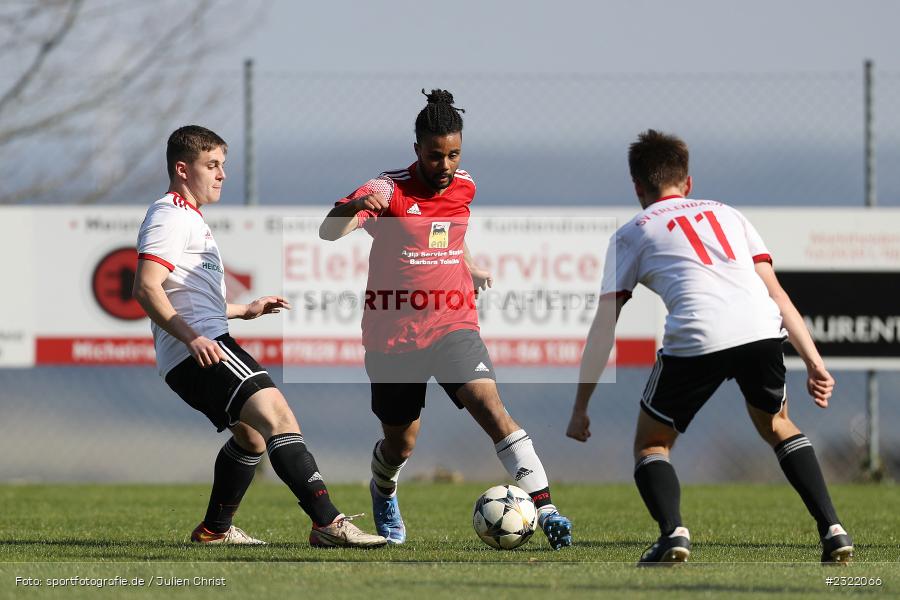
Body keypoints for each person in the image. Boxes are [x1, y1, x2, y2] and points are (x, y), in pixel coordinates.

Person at [566, 129, 853, 564]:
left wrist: (580, 406)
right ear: (688, 183)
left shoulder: (632, 233)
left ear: (638, 188)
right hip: (761, 329)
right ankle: (833, 529)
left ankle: (673, 534)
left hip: (698, 335)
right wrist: (814, 361)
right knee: (778, 426)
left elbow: (605, 324)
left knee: (652, 444)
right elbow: (776, 293)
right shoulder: (729, 214)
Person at [319, 90, 573, 549]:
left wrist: (467, 264)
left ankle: (546, 506)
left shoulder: (465, 186)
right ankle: (384, 488)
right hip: (393, 334)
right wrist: (355, 208)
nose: (446, 165)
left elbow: (450, 233)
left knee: (491, 409)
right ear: (417, 149)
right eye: (436, 156)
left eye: (454, 154)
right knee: (401, 445)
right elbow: (329, 230)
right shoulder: (388, 190)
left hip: (453, 323)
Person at [133, 125, 386, 548]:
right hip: (200, 350)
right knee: (278, 417)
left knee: (250, 437)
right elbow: (145, 286)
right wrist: (192, 337)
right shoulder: (170, 214)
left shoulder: (189, 217)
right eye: (211, 165)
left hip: (196, 348)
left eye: (223, 165)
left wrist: (243, 310)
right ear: (182, 169)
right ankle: (328, 523)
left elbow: (184, 294)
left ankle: (214, 530)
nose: (221, 175)